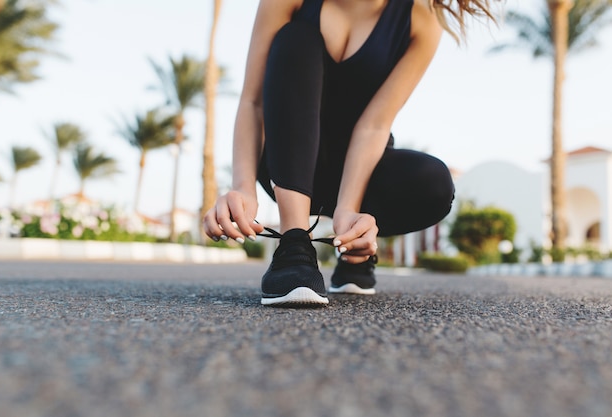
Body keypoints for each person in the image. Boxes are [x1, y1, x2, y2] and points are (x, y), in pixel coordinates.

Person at [203, 0, 496, 307]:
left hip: (360, 173)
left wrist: (348, 211)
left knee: (434, 183)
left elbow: (374, 126)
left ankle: (355, 245)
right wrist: (243, 187)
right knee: (296, 39)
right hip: (286, 162)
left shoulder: (420, 22)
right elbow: (254, 101)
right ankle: (294, 246)